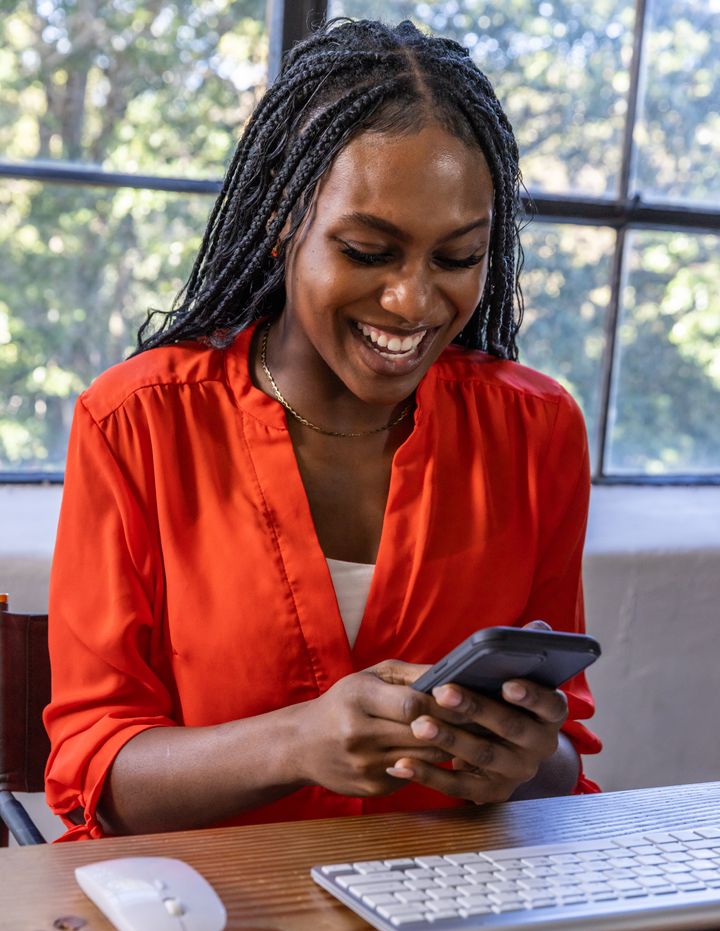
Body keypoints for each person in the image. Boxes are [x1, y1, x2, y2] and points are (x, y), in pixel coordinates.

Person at [43, 18, 601, 841]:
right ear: (281, 221)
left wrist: (517, 759)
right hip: (222, 930)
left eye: (457, 258)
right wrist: (295, 743)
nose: (414, 302)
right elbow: (98, 775)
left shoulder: (535, 430)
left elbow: (565, 761)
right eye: (369, 250)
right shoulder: (138, 424)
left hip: (453, 922)